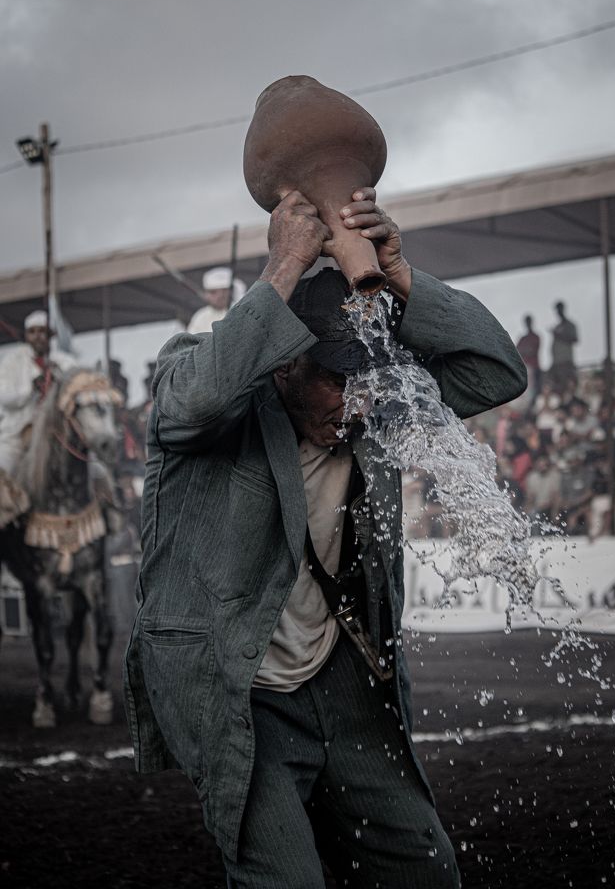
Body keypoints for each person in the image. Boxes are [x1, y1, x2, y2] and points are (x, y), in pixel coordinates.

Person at [124, 187, 527, 889]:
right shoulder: (210, 382)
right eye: (336, 379)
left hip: (342, 683)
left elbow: (497, 372)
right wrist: (284, 266)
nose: (356, 400)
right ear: (284, 363)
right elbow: (192, 402)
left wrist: (401, 274)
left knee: (424, 871)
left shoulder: (369, 404)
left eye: (364, 377)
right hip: (239, 695)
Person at [0, 309, 76, 477]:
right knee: (3, 470)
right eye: (32, 332)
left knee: (95, 470)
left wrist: (59, 379)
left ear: (51, 335)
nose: (38, 336)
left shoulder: (65, 362)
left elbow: (76, 391)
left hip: (59, 433)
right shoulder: (12, 361)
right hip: (18, 435)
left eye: (42, 331)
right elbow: (4, 396)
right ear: (26, 335)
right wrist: (30, 388)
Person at [187, 266, 247, 334]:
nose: (219, 296)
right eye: (213, 292)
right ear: (206, 294)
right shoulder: (200, 316)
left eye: (224, 291)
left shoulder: (240, 312)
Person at [549, 301, 578, 393]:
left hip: (566, 362)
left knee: (567, 388)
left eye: (559, 309)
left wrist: (559, 335)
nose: (558, 312)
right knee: (557, 389)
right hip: (556, 363)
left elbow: (574, 339)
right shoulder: (557, 327)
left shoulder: (570, 325)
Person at [516, 314, 541, 404]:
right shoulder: (523, 338)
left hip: (533, 367)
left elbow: (532, 351)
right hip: (524, 368)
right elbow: (516, 351)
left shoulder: (536, 336)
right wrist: (526, 350)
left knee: (533, 389)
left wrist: (524, 351)